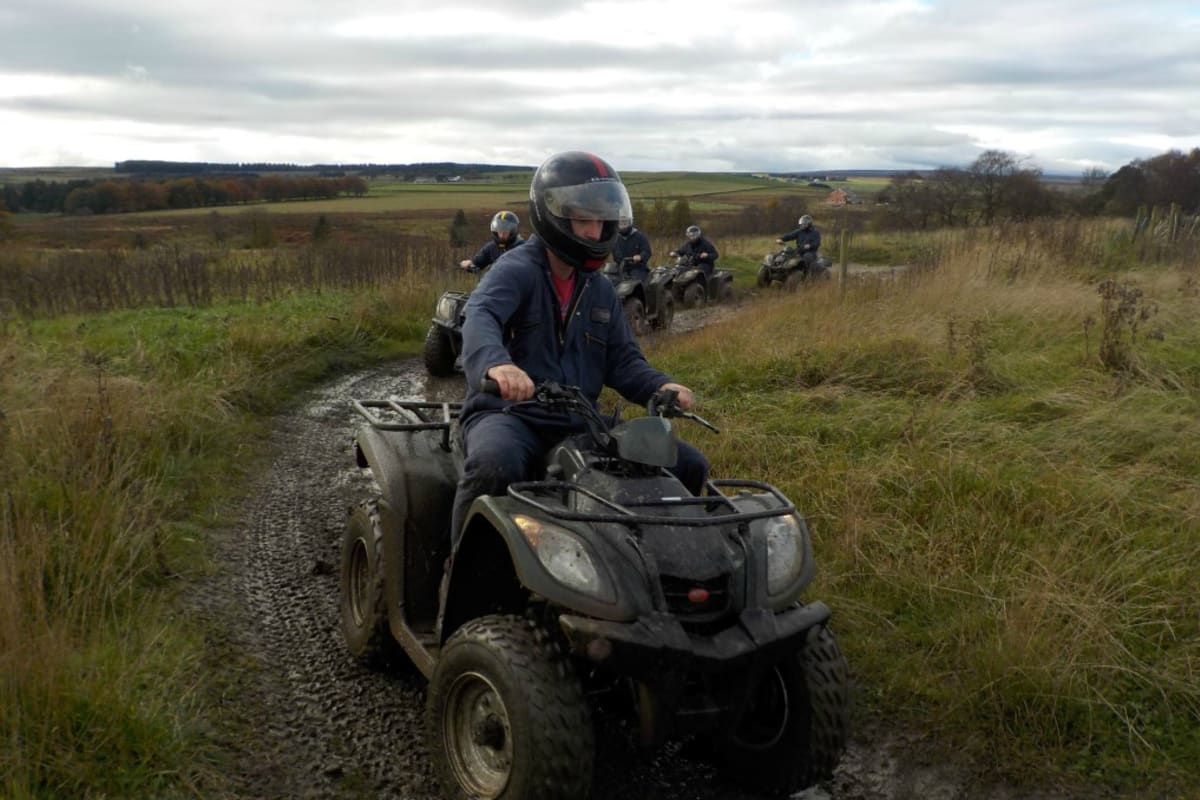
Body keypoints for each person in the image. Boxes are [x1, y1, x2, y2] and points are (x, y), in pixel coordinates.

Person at [450, 151, 710, 548]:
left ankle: (670, 568)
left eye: (601, 221)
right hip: (511, 416)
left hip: (578, 420)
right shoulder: (516, 269)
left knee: (688, 463)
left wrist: (661, 387)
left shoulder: (601, 289)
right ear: (553, 215)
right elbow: (481, 315)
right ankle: (460, 569)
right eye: (583, 220)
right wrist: (496, 365)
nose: (593, 232)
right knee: (493, 465)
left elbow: (623, 361)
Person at [459, 210, 525, 274]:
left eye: (505, 232)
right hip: (495, 283)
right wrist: (469, 264)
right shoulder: (491, 247)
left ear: (512, 231)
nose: (501, 235)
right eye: (500, 231)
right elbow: (478, 262)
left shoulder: (522, 248)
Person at [611, 216, 652, 284]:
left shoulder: (639, 236)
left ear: (630, 223)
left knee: (636, 283)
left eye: (625, 223)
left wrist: (640, 256)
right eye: (620, 224)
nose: (623, 226)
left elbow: (647, 251)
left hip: (638, 268)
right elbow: (615, 255)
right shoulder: (616, 239)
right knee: (609, 281)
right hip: (621, 268)